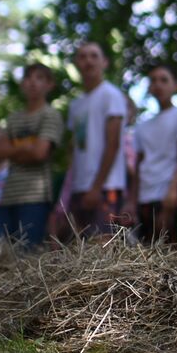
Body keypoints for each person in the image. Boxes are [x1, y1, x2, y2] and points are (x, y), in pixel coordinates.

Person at [0, 63, 65, 247]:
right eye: (28, 77)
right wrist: (27, 146)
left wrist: (13, 148)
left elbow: (39, 153)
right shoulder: (14, 118)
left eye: (40, 78)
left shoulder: (50, 115)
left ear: (49, 85)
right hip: (7, 196)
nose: (32, 82)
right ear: (22, 84)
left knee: (27, 256)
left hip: (35, 199)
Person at [65, 42, 130, 237]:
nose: (88, 61)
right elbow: (75, 148)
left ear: (105, 62)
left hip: (105, 187)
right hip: (79, 187)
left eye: (94, 56)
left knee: (102, 252)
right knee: (80, 251)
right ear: (77, 63)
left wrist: (96, 187)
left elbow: (113, 143)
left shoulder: (111, 95)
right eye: (83, 56)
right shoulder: (76, 104)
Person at [132, 64, 177, 244]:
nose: (158, 85)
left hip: (166, 195)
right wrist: (131, 200)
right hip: (144, 196)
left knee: (167, 250)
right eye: (153, 80)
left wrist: (173, 189)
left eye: (164, 80)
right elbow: (139, 164)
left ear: (176, 85)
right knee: (145, 249)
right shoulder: (142, 127)